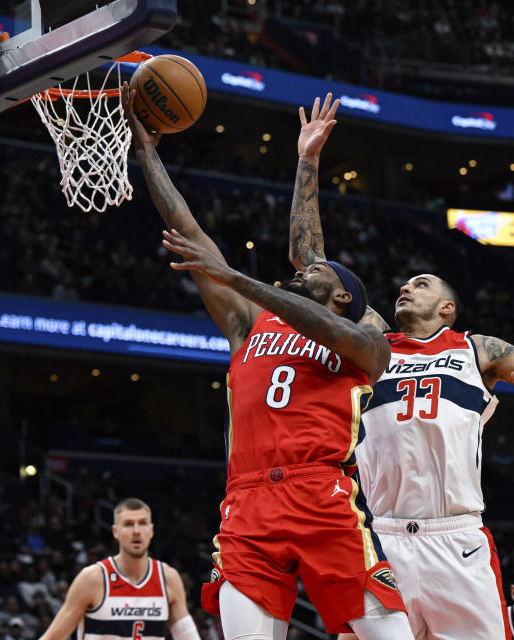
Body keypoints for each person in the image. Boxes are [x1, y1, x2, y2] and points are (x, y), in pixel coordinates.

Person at [289, 94, 514, 640]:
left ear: (447, 308)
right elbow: (310, 266)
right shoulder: (372, 339)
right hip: (378, 536)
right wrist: (308, 160)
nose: (406, 286)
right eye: (404, 284)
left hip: (455, 536)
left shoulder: (478, 350)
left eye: (422, 284)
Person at [122, 84, 413, 640]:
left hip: (324, 496)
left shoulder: (365, 340)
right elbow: (188, 229)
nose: (300, 270)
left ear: (346, 296)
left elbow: (315, 302)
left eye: (316, 274)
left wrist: (233, 275)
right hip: (248, 502)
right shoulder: (250, 324)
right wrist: (147, 155)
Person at [37, 498, 201, 640]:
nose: (136, 531)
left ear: (151, 530)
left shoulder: (168, 579)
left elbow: (188, 636)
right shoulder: (92, 578)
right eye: (129, 524)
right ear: (116, 531)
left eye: (142, 523)